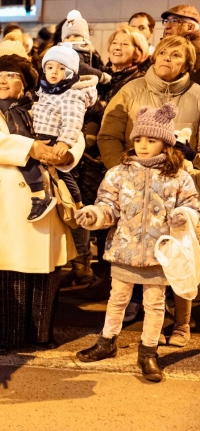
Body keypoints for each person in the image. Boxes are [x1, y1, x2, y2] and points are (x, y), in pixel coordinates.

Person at [0, 53, 85, 355]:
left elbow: (74, 130)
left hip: (44, 201)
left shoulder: (43, 102)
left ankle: (39, 332)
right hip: (4, 204)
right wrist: (31, 147)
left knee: (44, 272)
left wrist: (66, 153)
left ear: (25, 81)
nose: (3, 81)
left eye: (10, 76)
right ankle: (2, 335)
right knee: (3, 271)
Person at [75, 103, 199, 382]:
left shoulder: (178, 177)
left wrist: (184, 215)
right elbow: (108, 206)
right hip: (124, 250)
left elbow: (192, 205)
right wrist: (94, 215)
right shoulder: (119, 173)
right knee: (117, 299)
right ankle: (107, 341)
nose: (142, 146)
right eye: (139, 139)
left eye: (151, 140)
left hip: (159, 254)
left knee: (154, 304)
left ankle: (148, 351)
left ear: (166, 144)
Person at [98, 34, 200, 347]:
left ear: (188, 64)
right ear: (154, 57)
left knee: (179, 252)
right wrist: (127, 172)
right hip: (133, 187)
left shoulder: (197, 94)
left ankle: (181, 323)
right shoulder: (131, 89)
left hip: (181, 183)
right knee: (133, 247)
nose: (168, 60)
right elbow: (108, 136)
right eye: (164, 54)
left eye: (176, 57)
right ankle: (125, 315)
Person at [68, 25, 149, 289]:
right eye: (115, 42)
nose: (117, 47)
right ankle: (95, 277)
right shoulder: (102, 78)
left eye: (125, 44)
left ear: (137, 52)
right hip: (90, 159)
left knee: (116, 222)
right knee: (94, 215)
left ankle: (115, 286)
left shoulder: (139, 82)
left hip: (118, 159)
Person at [22, 44, 97, 221]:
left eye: (61, 68)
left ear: (70, 72)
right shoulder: (48, 90)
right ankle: (78, 203)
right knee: (63, 174)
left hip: (54, 138)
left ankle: (40, 196)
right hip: (43, 135)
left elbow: (73, 120)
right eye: (49, 67)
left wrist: (64, 142)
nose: (54, 72)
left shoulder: (70, 94)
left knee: (28, 162)